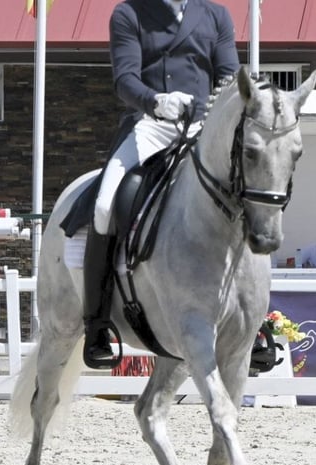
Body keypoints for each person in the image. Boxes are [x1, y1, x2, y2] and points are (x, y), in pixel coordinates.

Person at [81, 0, 240, 368]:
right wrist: (156, 101)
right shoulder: (130, 13)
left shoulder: (216, 14)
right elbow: (125, 78)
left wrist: (216, 113)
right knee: (105, 205)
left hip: (203, 125)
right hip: (151, 123)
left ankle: (257, 319)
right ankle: (97, 323)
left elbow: (229, 76)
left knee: (244, 199)